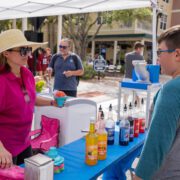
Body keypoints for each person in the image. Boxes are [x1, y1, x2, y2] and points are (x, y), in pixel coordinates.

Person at [0, 29, 58, 168]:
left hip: (25, 143)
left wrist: (52, 102)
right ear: (6, 53)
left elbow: (30, 99)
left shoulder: (26, 73)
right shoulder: (2, 81)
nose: (28, 55)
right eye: (22, 50)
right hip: (5, 150)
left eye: (28, 50)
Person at [134, 25, 180, 179]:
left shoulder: (172, 89)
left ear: (177, 54)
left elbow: (157, 143)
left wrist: (139, 176)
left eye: (160, 52)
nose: (157, 58)